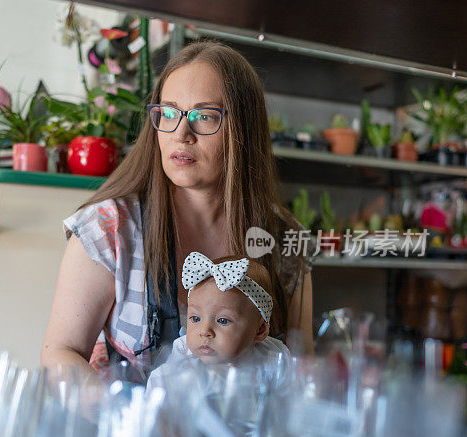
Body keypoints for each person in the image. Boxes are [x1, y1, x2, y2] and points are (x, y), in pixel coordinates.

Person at [41, 40, 312, 373]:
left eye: (205, 116)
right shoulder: (109, 228)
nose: (181, 133)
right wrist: (120, 412)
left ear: (243, 130)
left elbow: (301, 367)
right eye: (168, 113)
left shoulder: (283, 240)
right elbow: (61, 353)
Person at [148, 253, 288, 388]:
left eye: (223, 320)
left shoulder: (273, 361)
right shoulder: (182, 363)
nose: (204, 331)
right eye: (196, 318)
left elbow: (290, 401)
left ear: (260, 330)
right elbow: (158, 388)